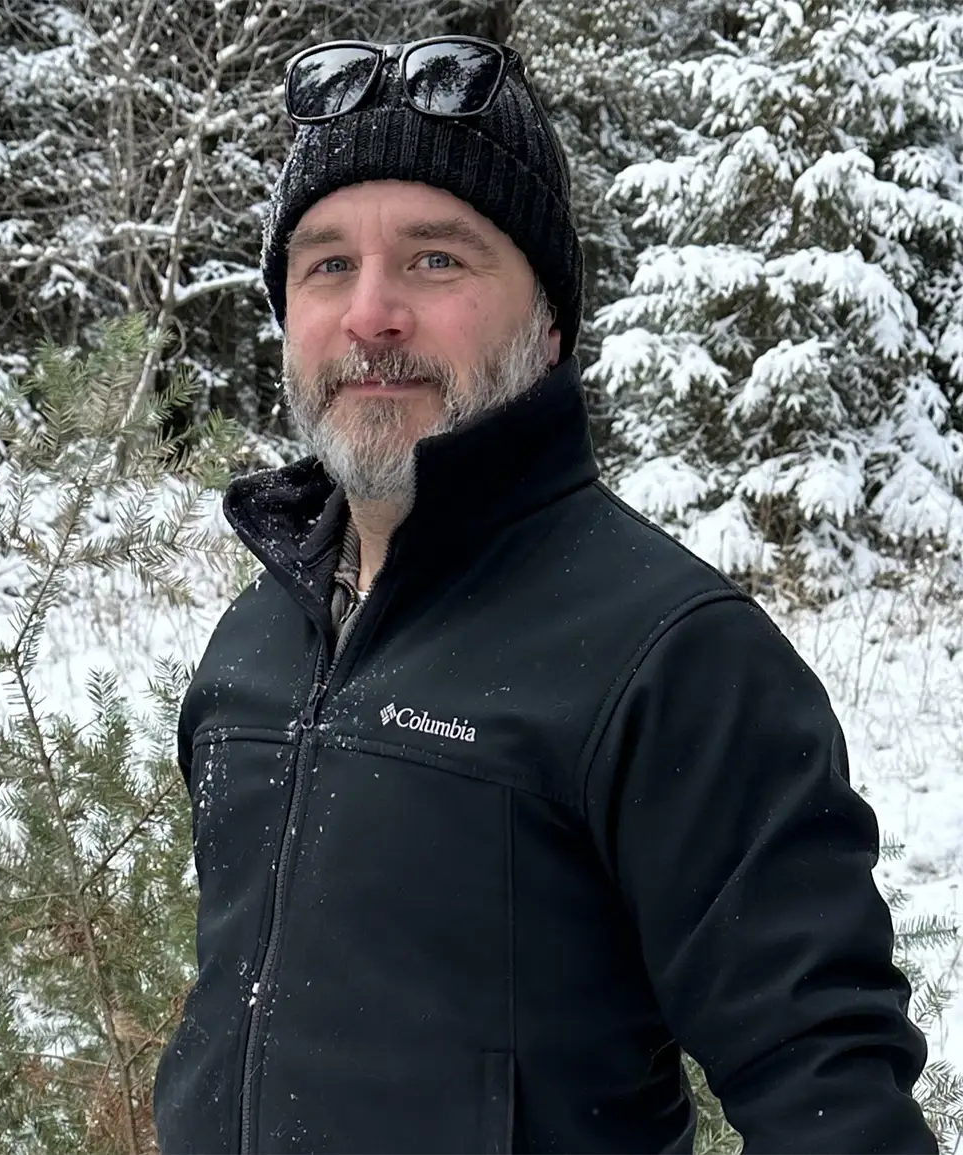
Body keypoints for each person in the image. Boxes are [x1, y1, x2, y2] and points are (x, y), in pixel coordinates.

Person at [152, 34, 937, 1155]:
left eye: (436, 261)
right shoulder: (256, 640)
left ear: (551, 324)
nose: (372, 313)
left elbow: (830, 1100)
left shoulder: (669, 655)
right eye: (327, 264)